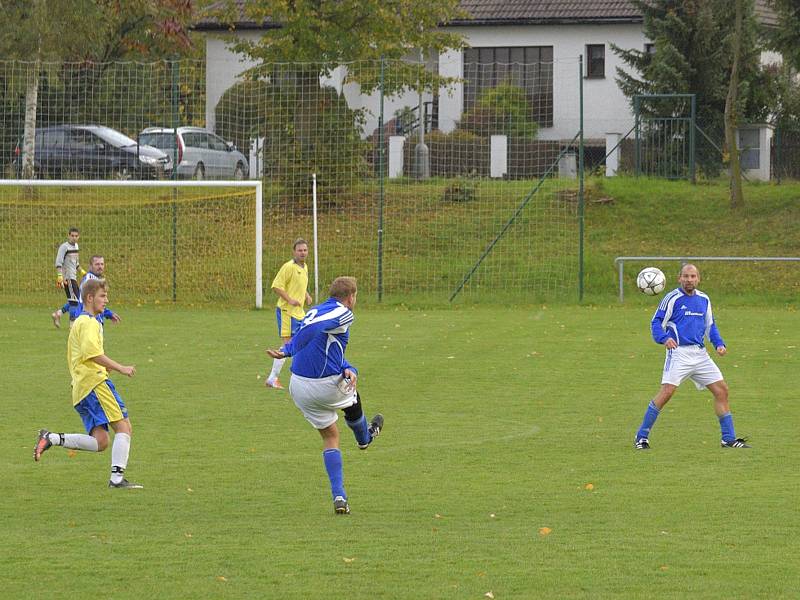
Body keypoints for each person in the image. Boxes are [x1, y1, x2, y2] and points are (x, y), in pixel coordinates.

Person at [267, 276, 383, 515]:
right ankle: (365, 438)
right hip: (324, 385)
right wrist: (287, 350)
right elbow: (314, 329)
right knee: (353, 398)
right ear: (351, 297)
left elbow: (321, 342)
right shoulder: (344, 313)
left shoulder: (317, 309)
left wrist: (347, 365)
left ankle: (339, 496)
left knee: (331, 436)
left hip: (298, 386)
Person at [34, 278, 142, 488]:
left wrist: (104, 366)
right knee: (124, 427)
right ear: (90, 298)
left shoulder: (81, 321)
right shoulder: (90, 322)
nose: (106, 300)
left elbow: (84, 355)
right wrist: (120, 367)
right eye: (102, 296)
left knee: (101, 441)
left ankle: (52, 438)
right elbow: (93, 354)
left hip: (81, 389)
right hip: (95, 385)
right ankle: (117, 480)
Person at [634, 264, 749, 450]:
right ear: (679, 278)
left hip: (700, 354)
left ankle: (728, 439)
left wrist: (719, 343)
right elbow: (656, 321)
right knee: (667, 393)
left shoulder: (704, 299)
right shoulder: (672, 298)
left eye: (693, 276)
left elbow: (710, 325)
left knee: (722, 391)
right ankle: (641, 437)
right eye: (686, 276)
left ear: (698, 279)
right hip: (679, 353)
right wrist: (664, 338)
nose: (689, 280)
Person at [265, 238, 314, 389]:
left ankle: (302, 376)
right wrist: (290, 299)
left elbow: (298, 284)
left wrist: (305, 294)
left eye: (305, 250)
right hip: (287, 312)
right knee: (288, 345)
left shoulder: (304, 267)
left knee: (302, 342)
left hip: (299, 313)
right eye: (300, 250)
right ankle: (273, 378)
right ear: (294, 252)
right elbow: (276, 286)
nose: (303, 253)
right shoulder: (288, 267)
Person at [52, 255, 121, 328]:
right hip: (90, 323)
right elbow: (84, 303)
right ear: (90, 266)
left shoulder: (95, 280)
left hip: (93, 323)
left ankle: (59, 313)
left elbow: (96, 303)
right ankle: (60, 314)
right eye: (97, 264)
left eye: (102, 264)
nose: (100, 266)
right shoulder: (90, 280)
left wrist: (109, 314)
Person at [53, 227, 85, 327]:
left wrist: (82, 272)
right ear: (68, 235)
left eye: (76, 236)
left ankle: (58, 314)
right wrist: (59, 276)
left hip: (74, 277)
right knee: (74, 302)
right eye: (72, 236)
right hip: (67, 278)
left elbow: (76, 263)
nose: (74, 238)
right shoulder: (64, 247)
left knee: (76, 300)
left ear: (78, 237)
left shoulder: (76, 246)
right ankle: (72, 326)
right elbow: (59, 262)